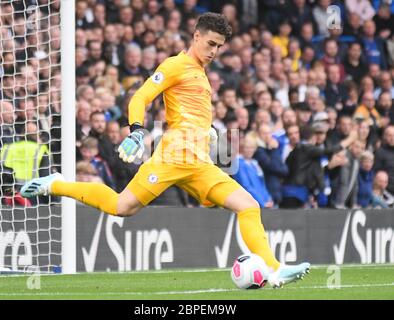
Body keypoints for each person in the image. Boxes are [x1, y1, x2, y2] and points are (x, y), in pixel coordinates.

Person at [20, 13, 310, 288]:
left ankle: (273, 268)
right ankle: (56, 183)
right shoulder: (174, 65)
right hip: (174, 156)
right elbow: (141, 96)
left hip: (199, 162)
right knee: (122, 207)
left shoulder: (201, 73)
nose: (214, 51)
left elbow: (191, 114)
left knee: (248, 205)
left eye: (219, 47)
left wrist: (206, 133)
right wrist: (136, 130)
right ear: (196, 36)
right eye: (210, 44)